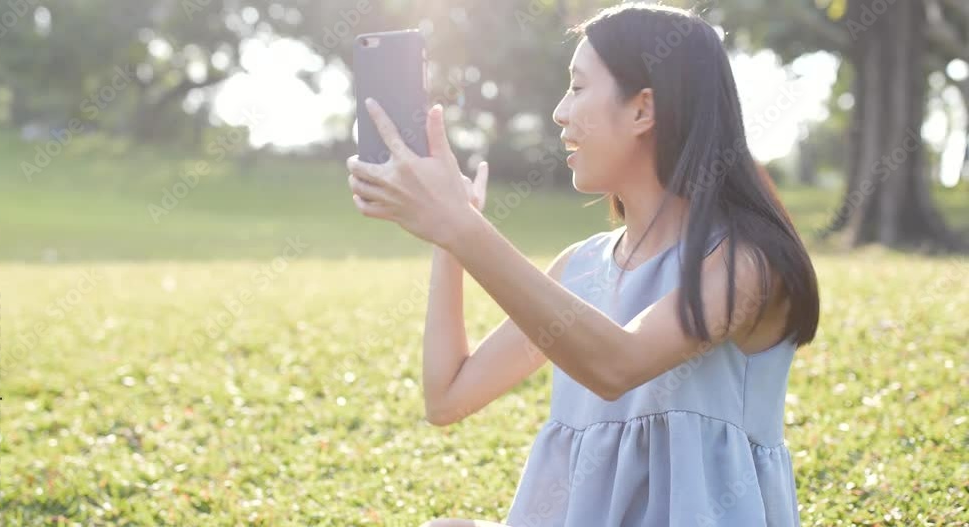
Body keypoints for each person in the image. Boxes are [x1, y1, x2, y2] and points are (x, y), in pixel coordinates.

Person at [345, 3, 820, 526]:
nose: (559, 112)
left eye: (576, 87)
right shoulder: (584, 266)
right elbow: (448, 396)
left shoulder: (747, 263)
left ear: (643, 109)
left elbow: (617, 365)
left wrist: (462, 226)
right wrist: (449, 236)